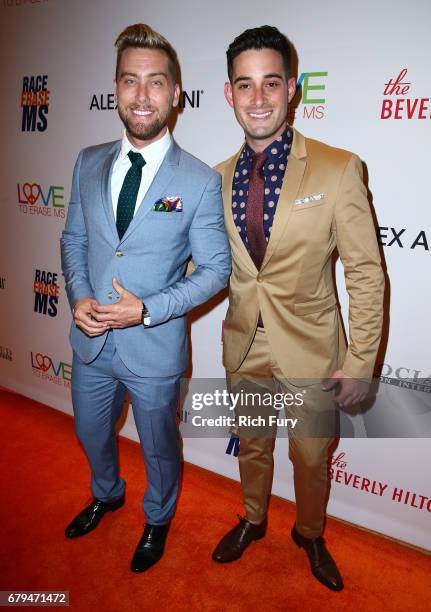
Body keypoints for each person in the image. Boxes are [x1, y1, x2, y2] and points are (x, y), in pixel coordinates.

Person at [211, 25, 384, 591]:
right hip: (244, 342)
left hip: (312, 348)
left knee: (311, 458)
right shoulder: (212, 180)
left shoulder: (338, 169)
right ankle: (253, 518)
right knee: (253, 445)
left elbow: (364, 272)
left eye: (270, 83)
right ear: (229, 93)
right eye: (245, 85)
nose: (257, 99)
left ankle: (310, 531)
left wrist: (361, 361)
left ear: (293, 89)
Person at [60, 23, 230, 574]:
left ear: (175, 93)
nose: (141, 95)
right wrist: (79, 296)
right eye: (130, 81)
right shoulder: (87, 161)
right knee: (90, 429)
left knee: (159, 448)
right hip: (91, 342)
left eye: (155, 82)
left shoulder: (200, 180)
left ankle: (157, 516)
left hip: (153, 348)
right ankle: (107, 493)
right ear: (115, 88)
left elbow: (216, 270)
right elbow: (75, 240)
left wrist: (148, 308)